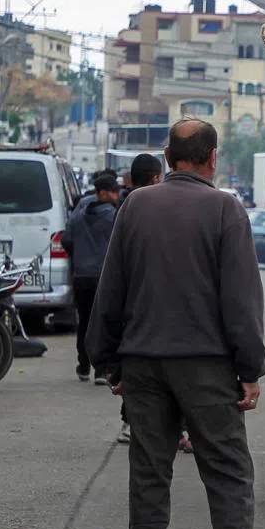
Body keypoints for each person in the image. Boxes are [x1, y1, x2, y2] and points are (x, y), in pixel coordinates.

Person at [86, 119, 265, 529]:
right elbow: (241, 298)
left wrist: (108, 360)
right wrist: (249, 368)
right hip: (208, 366)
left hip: (144, 364)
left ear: (169, 155)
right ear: (212, 158)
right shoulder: (224, 209)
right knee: (229, 476)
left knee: (149, 477)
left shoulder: (134, 206)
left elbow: (113, 288)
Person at [114, 153, 165, 445]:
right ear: (157, 177)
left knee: (133, 365)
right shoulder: (151, 208)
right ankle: (136, 422)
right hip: (149, 300)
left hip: (130, 301)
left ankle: (131, 422)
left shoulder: (122, 206)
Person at [62, 173, 120, 386]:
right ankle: (101, 370)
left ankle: (83, 365)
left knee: (84, 322)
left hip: (81, 277)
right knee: (104, 323)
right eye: (113, 191)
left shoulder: (77, 217)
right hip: (103, 278)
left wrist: (81, 256)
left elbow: (67, 240)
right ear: (103, 193)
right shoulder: (114, 217)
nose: (117, 195)